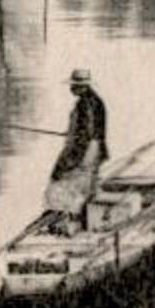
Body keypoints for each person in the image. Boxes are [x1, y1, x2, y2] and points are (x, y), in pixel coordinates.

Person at [43, 69, 109, 233]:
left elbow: (85, 134)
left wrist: (67, 161)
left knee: (60, 185)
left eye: (73, 85)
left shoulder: (84, 104)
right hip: (95, 149)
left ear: (81, 87)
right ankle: (81, 222)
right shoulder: (96, 101)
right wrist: (72, 133)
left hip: (85, 151)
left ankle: (66, 225)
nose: (71, 88)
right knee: (86, 187)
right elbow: (90, 130)